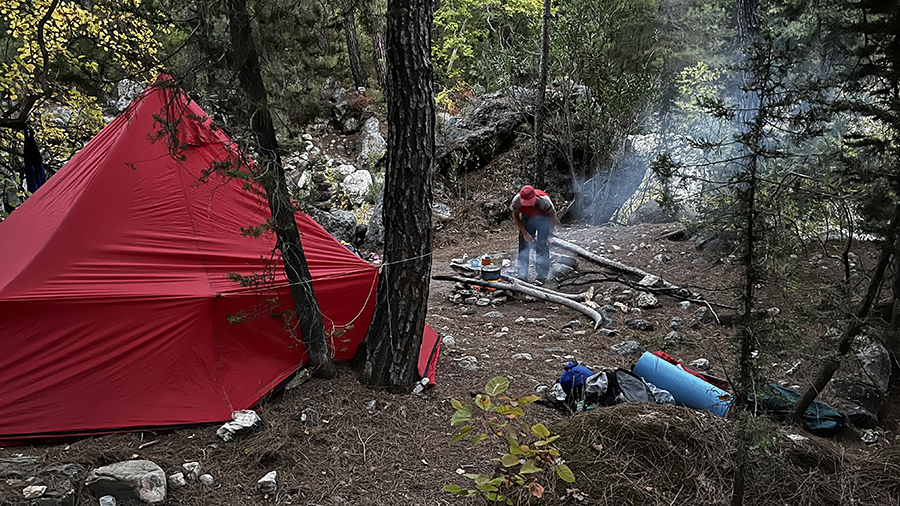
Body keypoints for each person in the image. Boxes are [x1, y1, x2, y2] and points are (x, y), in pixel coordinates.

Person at [510, 185, 557, 283]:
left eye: (530, 203)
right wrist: (525, 233)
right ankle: (522, 275)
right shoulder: (517, 201)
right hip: (527, 216)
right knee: (523, 245)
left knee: (542, 245)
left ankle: (541, 276)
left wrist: (549, 234)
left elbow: (553, 215)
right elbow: (516, 216)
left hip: (544, 217)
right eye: (526, 203)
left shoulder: (544, 201)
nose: (529, 205)